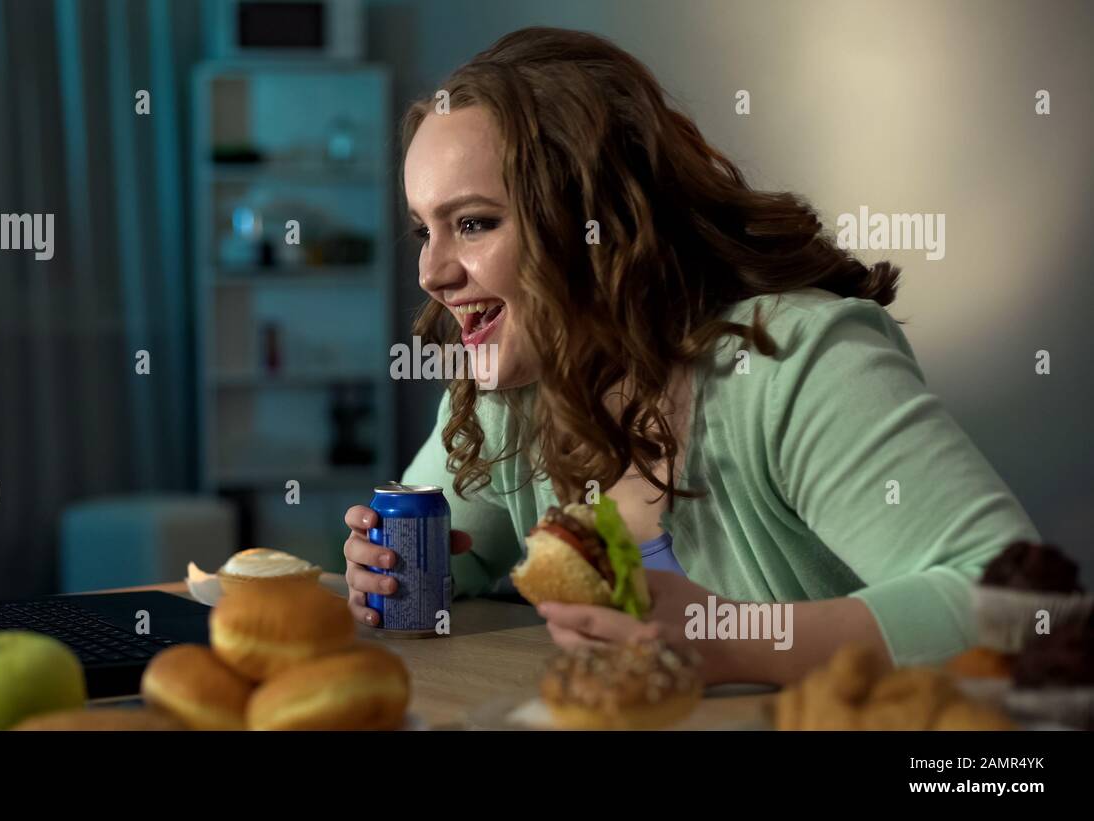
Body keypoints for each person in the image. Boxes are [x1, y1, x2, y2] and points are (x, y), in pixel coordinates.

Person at [343, 27, 1038, 685]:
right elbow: (439, 561)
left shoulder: (795, 363)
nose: (432, 272)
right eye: (422, 230)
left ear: (600, 218)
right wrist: (380, 567)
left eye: (472, 223)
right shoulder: (514, 392)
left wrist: (728, 638)